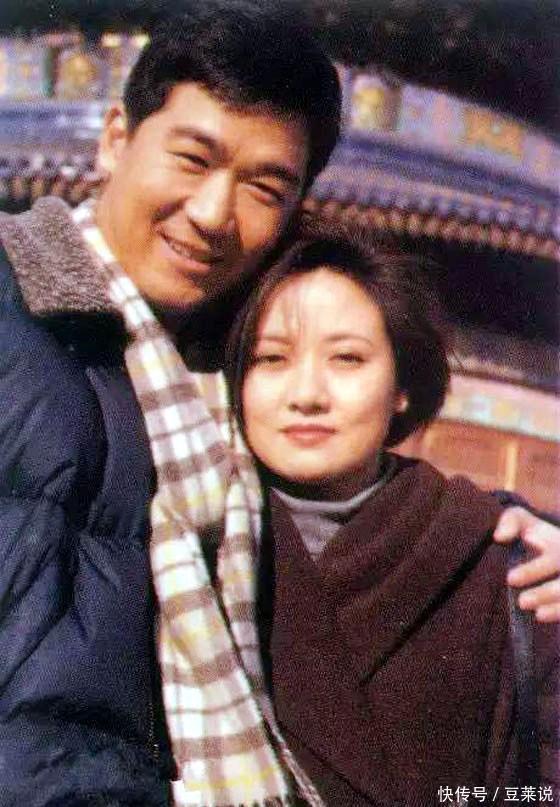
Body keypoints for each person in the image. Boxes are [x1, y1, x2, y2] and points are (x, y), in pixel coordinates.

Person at [0, 3, 557, 805]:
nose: (212, 215)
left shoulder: (215, 359)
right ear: (117, 138)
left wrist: (504, 535)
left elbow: (343, 506)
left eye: (265, 187)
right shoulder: (20, 316)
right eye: (192, 158)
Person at [226, 227, 560, 807]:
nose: (307, 394)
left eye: (347, 359)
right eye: (272, 358)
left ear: (402, 385)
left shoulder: (507, 562)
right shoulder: (182, 543)